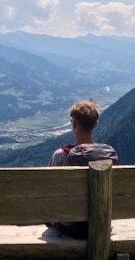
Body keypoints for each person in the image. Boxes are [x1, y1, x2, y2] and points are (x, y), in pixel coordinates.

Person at [47, 100, 118, 239]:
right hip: (103, 222)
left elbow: (49, 193)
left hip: (72, 226)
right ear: (96, 125)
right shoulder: (109, 155)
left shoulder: (61, 156)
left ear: (73, 124)